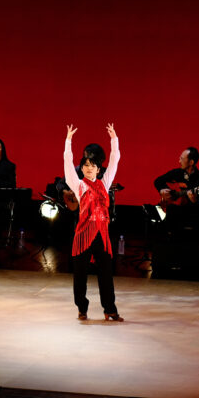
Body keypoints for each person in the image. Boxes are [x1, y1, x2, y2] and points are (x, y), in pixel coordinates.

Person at [64, 123, 122, 321]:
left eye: (93, 165)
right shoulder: (79, 185)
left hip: (102, 236)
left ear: (98, 169)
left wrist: (114, 139)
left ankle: (110, 309)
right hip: (83, 235)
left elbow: (115, 160)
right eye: (86, 165)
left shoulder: (104, 184)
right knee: (80, 274)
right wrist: (68, 141)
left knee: (106, 274)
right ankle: (82, 307)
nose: (89, 168)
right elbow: (68, 164)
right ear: (82, 168)